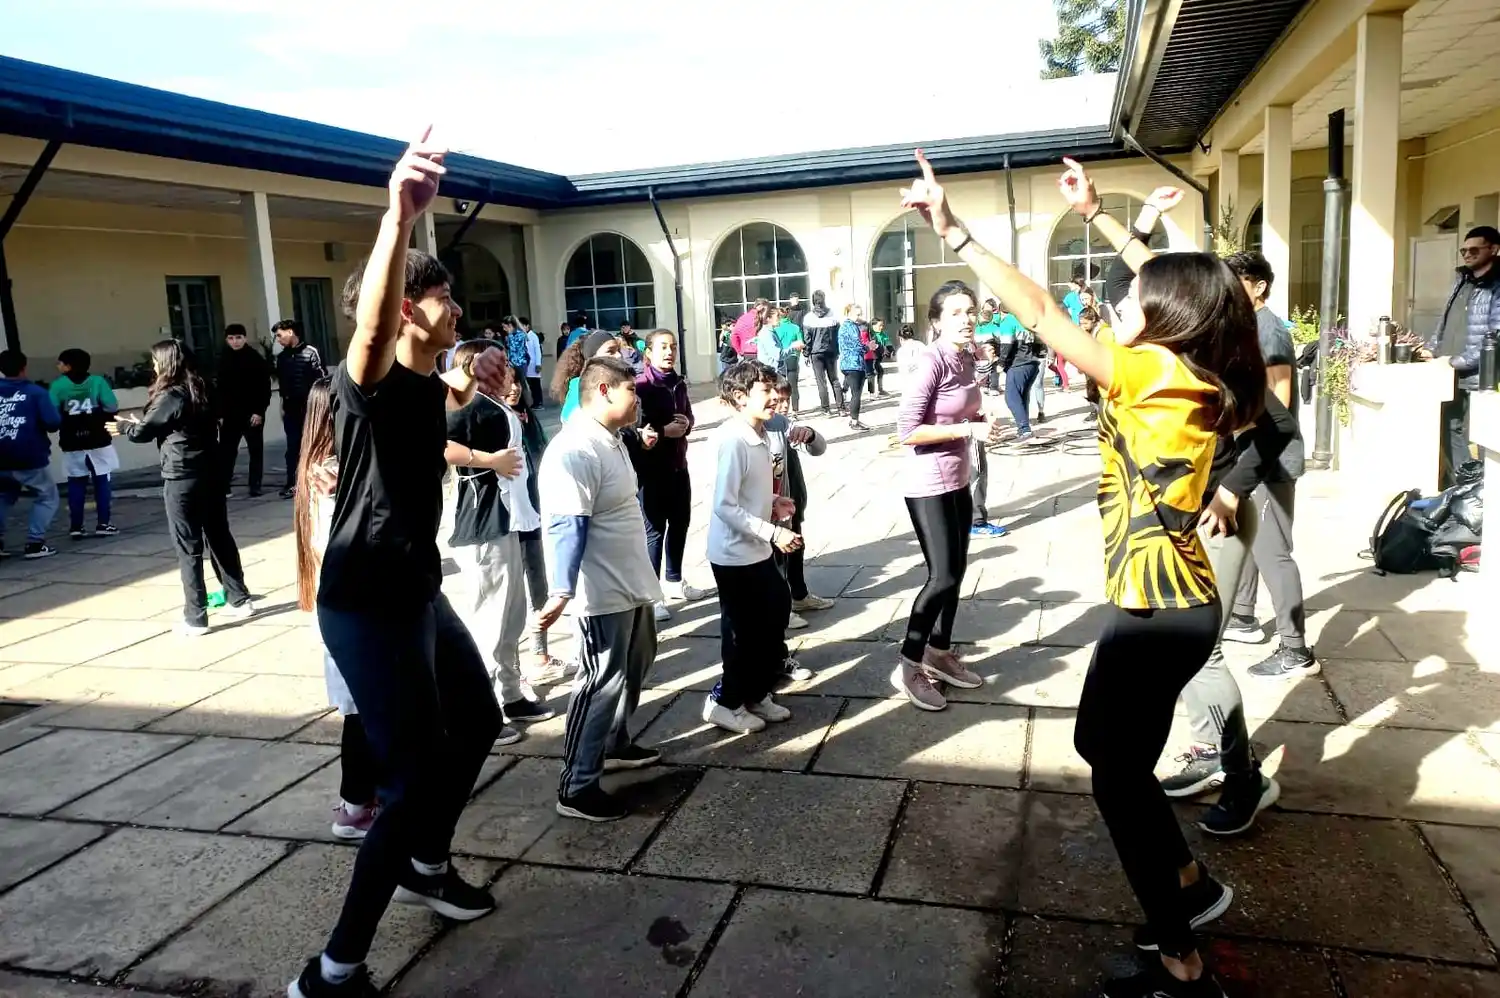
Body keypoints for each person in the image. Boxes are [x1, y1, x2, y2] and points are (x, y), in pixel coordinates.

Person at [903, 150, 1266, 997]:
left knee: (1114, 773)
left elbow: (1034, 306)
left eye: (1134, 299)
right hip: (1175, 604)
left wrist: (957, 233)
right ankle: (1189, 883)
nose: (1117, 305)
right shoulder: (1199, 372)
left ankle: (1178, 957)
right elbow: (1189, 286)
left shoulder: (1151, 374)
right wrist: (1109, 218)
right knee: (1108, 752)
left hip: (1157, 613)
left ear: (1165, 316)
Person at [288, 131, 503, 998]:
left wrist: (470, 390)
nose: (454, 306)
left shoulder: (425, 386)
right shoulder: (367, 379)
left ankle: (427, 861)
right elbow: (373, 328)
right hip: (365, 599)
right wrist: (394, 215)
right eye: (440, 296)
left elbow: (437, 411)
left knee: (480, 719)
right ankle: (334, 969)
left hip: (414, 587)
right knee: (409, 779)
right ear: (408, 310)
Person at [537, 356, 664, 822]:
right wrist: (561, 591)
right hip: (601, 590)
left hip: (630, 582)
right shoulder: (575, 449)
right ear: (605, 390)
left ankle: (615, 743)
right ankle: (577, 785)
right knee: (599, 682)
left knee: (636, 663)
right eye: (632, 390)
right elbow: (567, 524)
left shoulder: (609, 439)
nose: (638, 398)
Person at [891, 283, 998, 711]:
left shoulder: (965, 356)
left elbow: (960, 407)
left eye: (970, 311)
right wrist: (968, 429)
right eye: (955, 313)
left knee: (958, 571)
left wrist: (978, 414)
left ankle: (940, 652)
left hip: (957, 478)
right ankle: (909, 664)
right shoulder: (929, 361)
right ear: (935, 321)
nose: (967, 319)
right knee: (942, 577)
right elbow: (907, 430)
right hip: (927, 483)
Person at [442, 339, 551, 731]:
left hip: (509, 521)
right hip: (484, 524)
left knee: (511, 619)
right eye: (498, 362)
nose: (507, 368)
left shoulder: (496, 403)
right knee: (489, 621)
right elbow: (438, 442)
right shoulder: (466, 405)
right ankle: (478, 713)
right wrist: (487, 460)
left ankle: (510, 696)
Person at [1219, 251, 1315, 680]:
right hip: (1253, 451)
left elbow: (1282, 398)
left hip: (1270, 455)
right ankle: (1241, 618)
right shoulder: (1247, 327)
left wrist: (1253, 448)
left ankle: (1296, 650)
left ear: (1259, 286)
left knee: (1274, 551)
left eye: (1237, 281)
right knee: (1251, 535)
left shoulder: (1269, 328)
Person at [292, 379, 378, 841]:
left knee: (363, 713)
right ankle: (354, 806)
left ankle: (361, 798)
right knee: (361, 716)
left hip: (344, 608)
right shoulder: (329, 475)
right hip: (351, 609)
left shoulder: (319, 467)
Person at [119, 340, 255, 634]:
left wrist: (125, 427)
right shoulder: (203, 388)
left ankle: (196, 616)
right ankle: (239, 599)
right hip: (212, 471)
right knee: (219, 536)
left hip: (182, 475)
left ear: (167, 363)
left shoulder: (172, 394)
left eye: (155, 361)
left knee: (188, 546)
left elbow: (143, 432)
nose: (153, 366)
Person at [702, 360, 801, 734]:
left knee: (775, 614)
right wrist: (773, 532)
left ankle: (757, 692)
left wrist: (773, 504)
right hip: (733, 554)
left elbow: (748, 493)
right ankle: (725, 702)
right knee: (741, 632)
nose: (775, 396)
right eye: (766, 390)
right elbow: (724, 506)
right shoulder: (732, 440)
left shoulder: (758, 434)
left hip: (756, 547)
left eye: (775, 388)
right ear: (740, 397)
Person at [635, 329, 708, 624]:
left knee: (680, 523)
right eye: (663, 347)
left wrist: (686, 423)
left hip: (679, 465)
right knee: (654, 531)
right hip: (651, 470)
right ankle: (652, 595)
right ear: (649, 353)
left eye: (673, 347)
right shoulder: (640, 386)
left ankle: (675, 580)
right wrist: (666, 431)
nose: (669, 352)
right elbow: (635, 428)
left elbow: (689, 416)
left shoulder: (677, 382)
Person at [1423, 225, 1500, 488]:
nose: (1467, 255)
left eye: (1474, 249)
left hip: (1481, 375)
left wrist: (1456, 362)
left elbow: (1494, 335)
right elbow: (1447, 319)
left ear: (1493, 249)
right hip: (1449, 372)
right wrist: (1432, 349)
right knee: (1448, 428)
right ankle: (1461, 489)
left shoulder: (1497, 284)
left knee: (1479, 435)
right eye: (1463, 250)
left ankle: (1480, 493)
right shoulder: (1463, 280)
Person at [765, 376, 833, 637]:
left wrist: (811, 435)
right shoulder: (757, 430)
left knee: (796, 544)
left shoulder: (785, 425)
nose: (780, 405)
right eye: (775, 398)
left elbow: (818, 448)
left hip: (793, 500)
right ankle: (782, 605)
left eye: (784, 400)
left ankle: (799, 594)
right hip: (771, 507)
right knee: (776, 555)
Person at [50, 347, 120, 539]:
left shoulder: (58, 386)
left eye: (60, 363)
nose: (58, 366)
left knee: (76, 483)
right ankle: (104, 524)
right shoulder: (97, 382)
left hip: (71, 441)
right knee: (102, 481)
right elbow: (112, 406)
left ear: (68, 366)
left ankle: (76, 527)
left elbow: (52, 416)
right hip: (99, 439)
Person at [0, 350, 61, 559]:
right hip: (29, 455)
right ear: (24, 368)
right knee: (47, 496)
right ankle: (35, 543)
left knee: (3, 496)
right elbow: (53, 422)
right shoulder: (35, 392)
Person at [215, 324, 272, 497]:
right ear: (226, 340)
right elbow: (218, 390)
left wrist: (259, 411)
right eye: (231, 338)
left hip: (252, 414)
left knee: (255, 451)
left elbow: (264, 388)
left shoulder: (255, 359)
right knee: (226, 452)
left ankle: (255, 486)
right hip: (229, 416)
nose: (235, 342)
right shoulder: (222, 359)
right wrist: (219, 414)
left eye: (239, 337)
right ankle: (224, 486)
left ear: (245, 338)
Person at [274, 318, 325, 500]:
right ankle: (293, 483)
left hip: (309, 407)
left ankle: (316, 480)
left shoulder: (311, 352)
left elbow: (322, 380)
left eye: (280, 335)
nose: (278, 339)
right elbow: (282, 385)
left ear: (290, 332)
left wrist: (320, 407)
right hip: (290, 408)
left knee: (313, 444)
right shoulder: (281, 358)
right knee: (293, 447)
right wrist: (282, 406)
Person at [556, 330, 625, 422]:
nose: (619, 356)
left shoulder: (617, 383)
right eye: (610, 351)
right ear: (591, 359)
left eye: (618, 350)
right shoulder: (580, 388)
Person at [801, 291, 844, 415]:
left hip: (816, 352)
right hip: (830, 351)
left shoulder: (809, 317)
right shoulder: (833, 315)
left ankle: (826, 409)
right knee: (834, 379)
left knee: (821, 382)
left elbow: (807, 339)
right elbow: (838, 335)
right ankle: (841, 408)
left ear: (813, 300)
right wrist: (837, 350)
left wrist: (806, 354)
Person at [837, 304, 870, 431]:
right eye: (857, 314)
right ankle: (854, 421)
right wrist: (868, 347)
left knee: (856, 393)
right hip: (853, 364)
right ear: (849, 313)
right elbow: (857, 345)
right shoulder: (850, 327)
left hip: (850, 363)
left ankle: (854, 419)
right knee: (856, 394)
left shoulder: (848, 326)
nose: (859, 317)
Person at [773, 307, 806, 411]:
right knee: (793, 386)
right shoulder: (795, 327)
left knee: (779, 386)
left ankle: (780, 408)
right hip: (793, 357)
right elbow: (801, 343)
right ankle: (795, 410)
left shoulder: (775, 329)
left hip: (781, 358)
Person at [519, 317, 544, 406]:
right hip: (526, 365)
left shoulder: (533, 336)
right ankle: (534, 402)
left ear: (527, 326)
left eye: (522, 326)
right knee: (530, 385)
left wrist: (538, 364)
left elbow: (537, 351)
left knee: (536, 385)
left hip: (534, 364)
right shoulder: (522, 336)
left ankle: (539, 402)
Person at [869, 318, 891, 396]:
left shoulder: (882, 334)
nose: (881, 327)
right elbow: (872, 346)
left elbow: (887, 342)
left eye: (882, 325)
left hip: (878, 357)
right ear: (873, 326)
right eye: (880, 325)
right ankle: (871, 392)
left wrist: (890, 349)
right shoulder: (871, 334)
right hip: (871, 357)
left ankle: (880, 389)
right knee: (871, 373)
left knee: (880, 371)